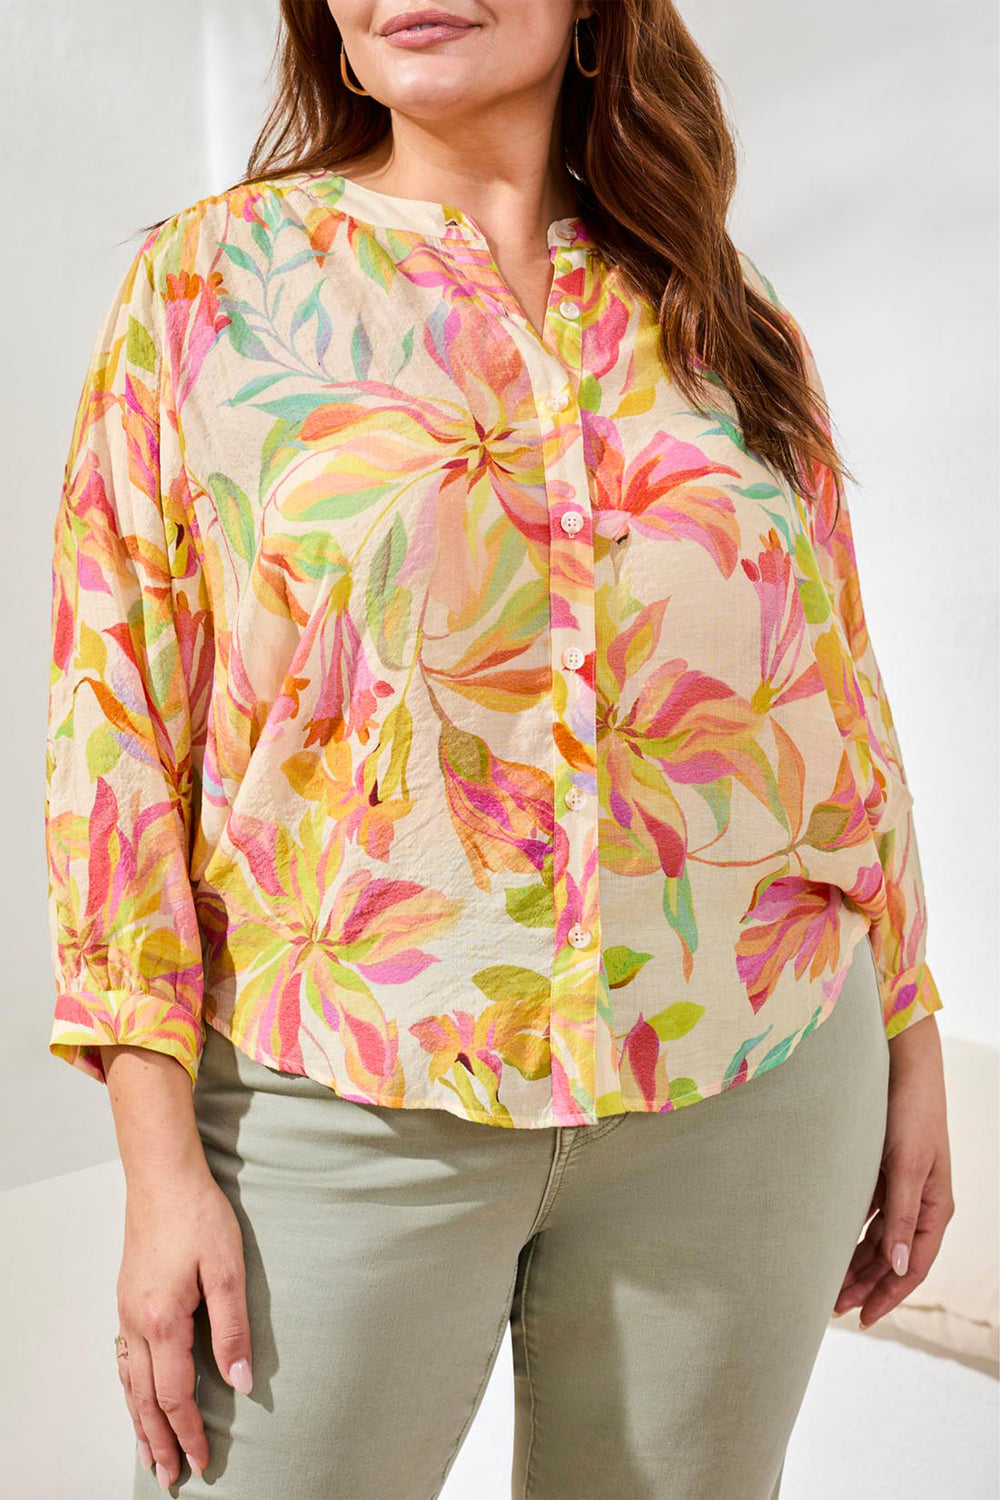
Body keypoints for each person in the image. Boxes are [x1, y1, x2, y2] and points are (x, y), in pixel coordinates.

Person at [44, 2, 953, 1496]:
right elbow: (116, 736)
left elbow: (835, 689)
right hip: (340, 1096)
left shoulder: (726, 313)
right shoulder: (209, 291)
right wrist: (159, 1172)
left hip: (751, 1080)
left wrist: (909, 1025)